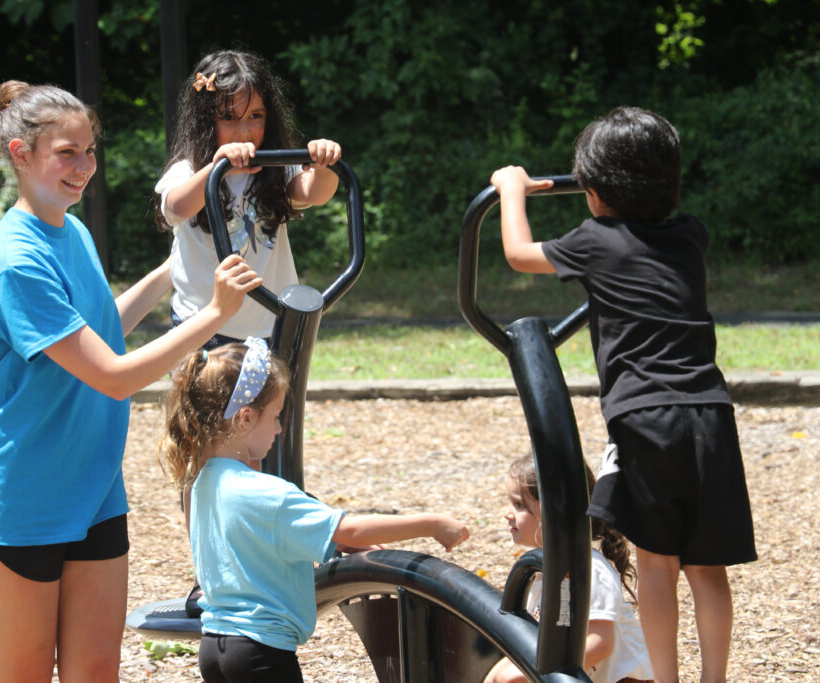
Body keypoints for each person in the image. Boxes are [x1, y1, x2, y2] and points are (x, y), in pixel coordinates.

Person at [0, 80, 262, 682]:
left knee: (96, 672)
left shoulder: (71, 230)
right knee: (28, 674)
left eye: (90, 151)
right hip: (20, 499)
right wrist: (215, 315)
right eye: (67, 153)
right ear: (20, 153)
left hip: (91, 490)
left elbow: (97, 334)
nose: (83, 167)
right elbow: (113, 377)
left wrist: (177, 267)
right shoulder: (16, 258)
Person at [489, 105, 756, 683]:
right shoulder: (691, 238)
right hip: (710, 414)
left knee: (658, 564)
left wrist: (511, 188)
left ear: (593, 189)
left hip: (644, 418)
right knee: (708, 569)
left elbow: (518, 254)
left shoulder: (595, 240)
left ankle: (668, 681)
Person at [157, 337, 471, 682]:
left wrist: (333, 542)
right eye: (275, 417)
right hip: (261, 653)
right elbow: (349, 529)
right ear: (245, 418)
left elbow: (259, 542)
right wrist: (432, 523)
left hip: (214, 646)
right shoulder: (267, 493)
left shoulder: (202, 485)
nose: (278, 429)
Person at [154, 48, 343, 349]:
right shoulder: (190, 168)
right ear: (205, 121)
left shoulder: (275, 168)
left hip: (270, 325)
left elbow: (313, 193)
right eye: (229, 117)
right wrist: (217, 169)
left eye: (255, 116)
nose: (244, 131)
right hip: (200, 327)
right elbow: (176, 207)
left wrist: (324, 165)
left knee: (273, 398)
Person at [484, 457, 653, 683]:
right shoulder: (542, 568)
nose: (508, 513)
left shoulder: (589, 571)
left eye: (520, 505)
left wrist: (533, 671)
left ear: (556, 512)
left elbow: (600, 643)